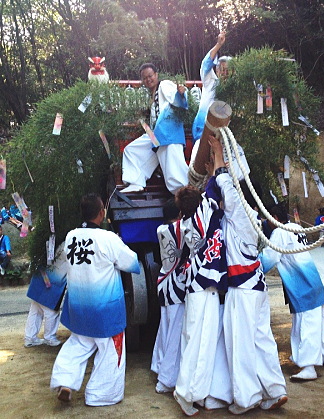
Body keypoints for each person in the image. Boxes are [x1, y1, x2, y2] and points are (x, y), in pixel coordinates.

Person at [209, 135, 287, 415]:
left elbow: (223, 181)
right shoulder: (253, 213)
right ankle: (275, 389)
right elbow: (223, 182)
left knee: (239, 341)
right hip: (257, 284)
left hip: (242, 286)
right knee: (261, 338)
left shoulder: (238, 206)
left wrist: (217, 152)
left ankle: (246, 398)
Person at [50, 193, 140, 406]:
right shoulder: (108, 239)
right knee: (111, 351)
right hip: (105, 310)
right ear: (102, 213)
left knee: (78, 344)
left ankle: (65, 381)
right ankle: (100, 395)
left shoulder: (71, 236)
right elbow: (132, 263)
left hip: (79, 308)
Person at [260, 203, 324, 382]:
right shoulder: (296, 227)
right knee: (316, 324)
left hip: (302, 285)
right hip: (312, 283)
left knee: (307, 326)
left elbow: (270, 258)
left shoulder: (280, 232)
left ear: (274, 217)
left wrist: (252, 266)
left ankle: (308, 366)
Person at [173, 168, 229, 416]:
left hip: (196, 287)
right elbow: (211, 194)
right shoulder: (202, 218)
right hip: (202, 287)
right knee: (200, 341)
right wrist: (215, 170)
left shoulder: (187, 223)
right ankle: (186, 393)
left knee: (196, 340)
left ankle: (194, 392)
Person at [189, 32, 249, 182]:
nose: (225, 72)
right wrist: (218, 45)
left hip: (224, 135)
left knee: (235, 165)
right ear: (217, 70)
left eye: (229, 70)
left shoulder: (235, 92)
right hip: (203, 130)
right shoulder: (211, 82)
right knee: (200, 164)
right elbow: (205, 65)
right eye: (222, 69)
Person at [121, 63, 189, 194]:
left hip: (169, 134)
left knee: (175, 175)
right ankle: (136, 182)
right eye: (144, 78)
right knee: (131, 151)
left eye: (150, 76)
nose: (148, 80)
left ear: (156, 75)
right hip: (155, 136)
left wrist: (180, 94)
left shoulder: (164, 85)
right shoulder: (151, 96)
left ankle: (186, 197)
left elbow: (176, 98)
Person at [151, 199, 188, 394]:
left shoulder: (161, 229)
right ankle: (166, 379)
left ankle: (158, 365)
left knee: (165, 326)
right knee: (175, 330)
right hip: (177, 285)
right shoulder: (179, 228)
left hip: (163, 281)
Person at [24, 246, 68, 347]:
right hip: (51, 283)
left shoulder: (48, 241)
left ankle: (29, 338)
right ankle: (50, 338)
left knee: (35, 311)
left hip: (41, 276)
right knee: (51, 312)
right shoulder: (66, 243)